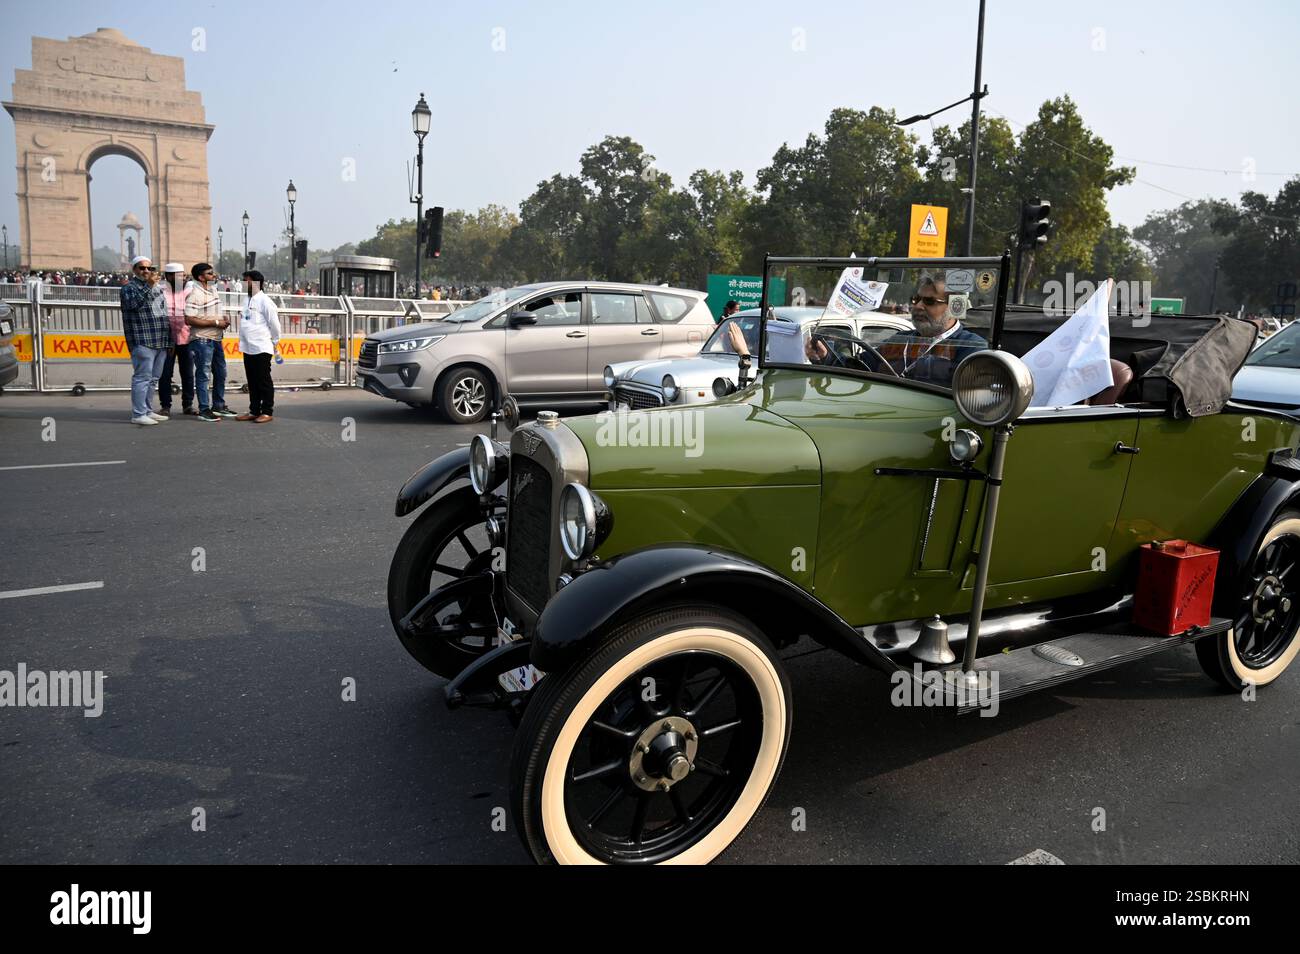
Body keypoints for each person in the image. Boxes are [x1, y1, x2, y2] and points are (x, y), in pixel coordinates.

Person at [119, 256, 171, 425]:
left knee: (153, 379)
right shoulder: (129, 288)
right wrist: (149, 286)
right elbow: (134, 305)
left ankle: (148, 410)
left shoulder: (157, 288)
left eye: (150, 268)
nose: (146, 271)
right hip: (142, 339)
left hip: (160, 340)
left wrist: (168, 341)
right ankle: (138, 413)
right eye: (142, 268)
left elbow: (162, 314)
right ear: (134, 269)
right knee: (142, 377)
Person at [184, 262, 234, 422]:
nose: (214, 276)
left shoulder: (213, 290)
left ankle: (218, 405)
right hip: (201, 339)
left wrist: (223, 319)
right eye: (210, 273)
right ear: (200, 277)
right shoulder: (194, 294)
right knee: (204, 374)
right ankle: (204, 409)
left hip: (216, 339)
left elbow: (216, 313)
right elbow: (189, 319)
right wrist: (215, 323)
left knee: (221, 373)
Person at [236, 269, 280, 423]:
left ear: (256, 283)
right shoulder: (246, 300)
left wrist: (275, 341)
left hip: (261, 346)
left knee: (263, 381)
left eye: (247, 280)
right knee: (252, 380)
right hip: (248, 346)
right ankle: (254, 410)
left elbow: (274, 325)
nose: (244, 283)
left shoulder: (265, 301)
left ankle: (267, 411)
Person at [157, 263, 195, 417]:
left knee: (187, 373)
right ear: (169, 276)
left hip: (186, 338)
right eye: (179, 276)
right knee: (165, 373)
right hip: (166, 339)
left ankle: (188, 405)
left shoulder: (190, 290)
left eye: (183, 275)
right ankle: (165, 405)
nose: (183, 278)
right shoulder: (159, 291)